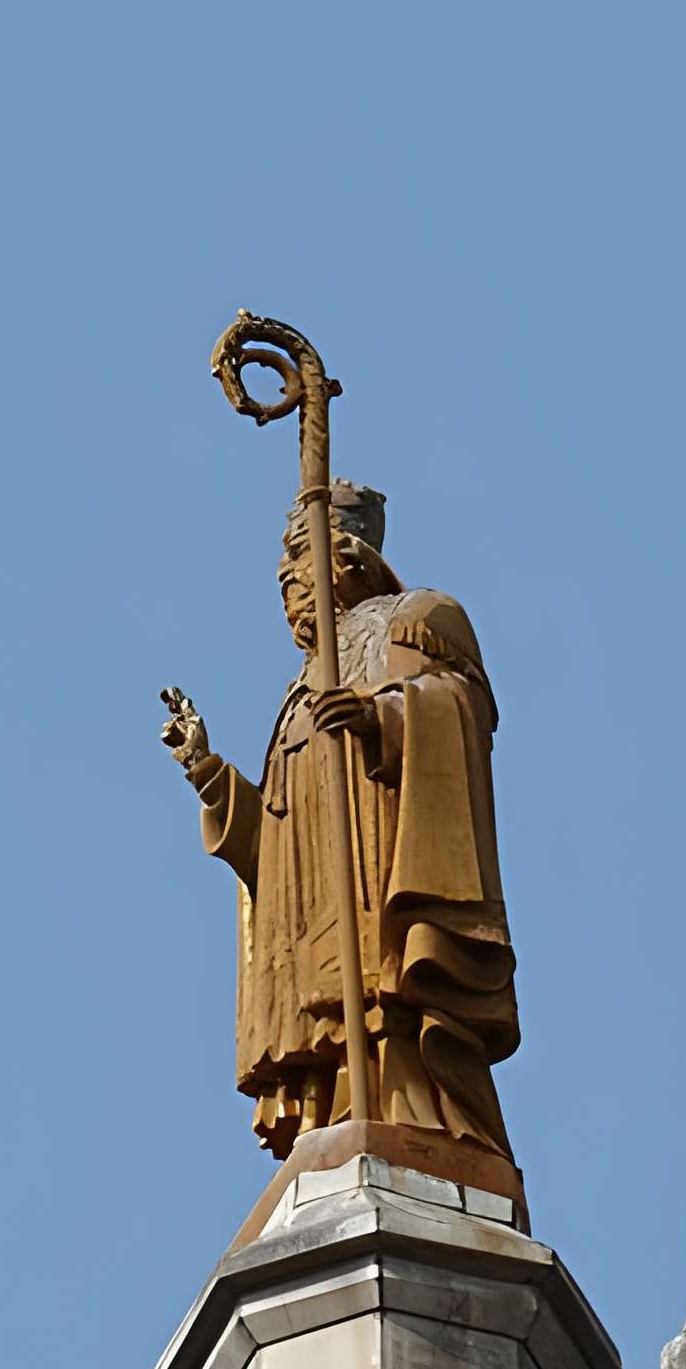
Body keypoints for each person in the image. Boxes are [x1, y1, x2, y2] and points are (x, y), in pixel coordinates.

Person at [162, 483, 519, 1163]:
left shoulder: (417, 618)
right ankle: (336, 1117)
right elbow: (279, 838)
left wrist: (379, 717)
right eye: (281, 577)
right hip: (317, 911)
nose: (286, 586)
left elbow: (460, 710)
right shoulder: (300, 686)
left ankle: (415, 1112)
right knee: (334, 1022)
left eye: (298, 562)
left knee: (392, 1012)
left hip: (381, 874)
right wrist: (208, 772)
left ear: (347, 555)